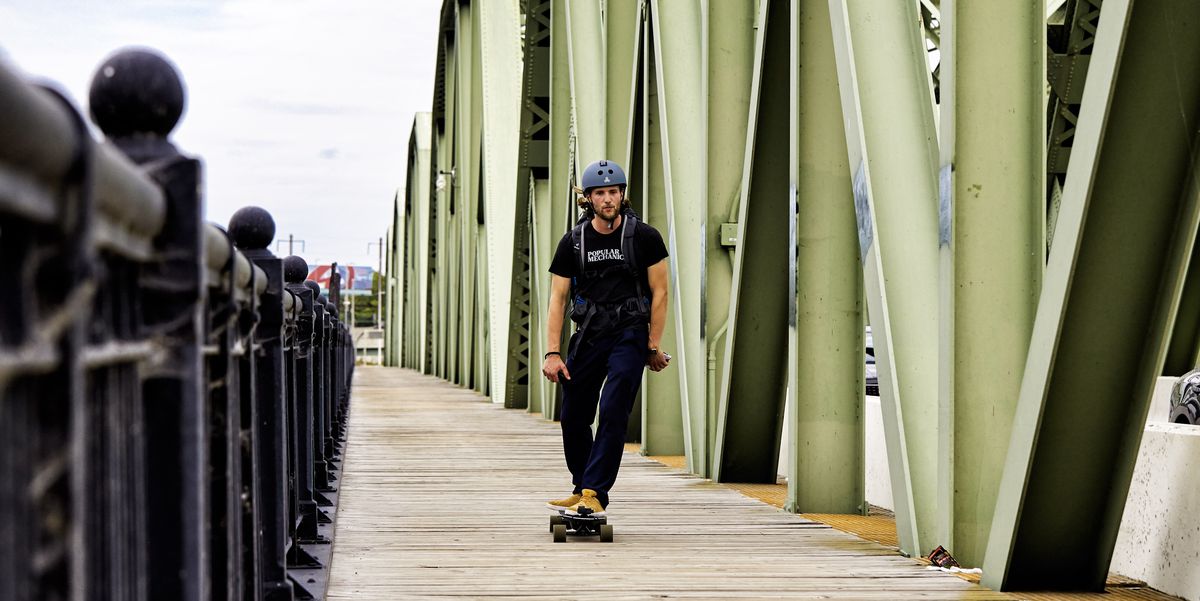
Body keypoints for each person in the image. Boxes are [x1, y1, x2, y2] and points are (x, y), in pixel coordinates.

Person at [541, 159, 670, 517]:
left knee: (613, 408)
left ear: (622, 194)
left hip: (629, 333)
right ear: (588, 198)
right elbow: (558, 298)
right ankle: (582, 486)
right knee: (573, 415)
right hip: (589, 334)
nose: (608, 199)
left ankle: (594, 491)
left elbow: (660, 292)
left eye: (614, 191)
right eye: (600, 193)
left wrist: (652, 344)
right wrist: (552, 353)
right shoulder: (574, 242)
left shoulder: (644, 237)